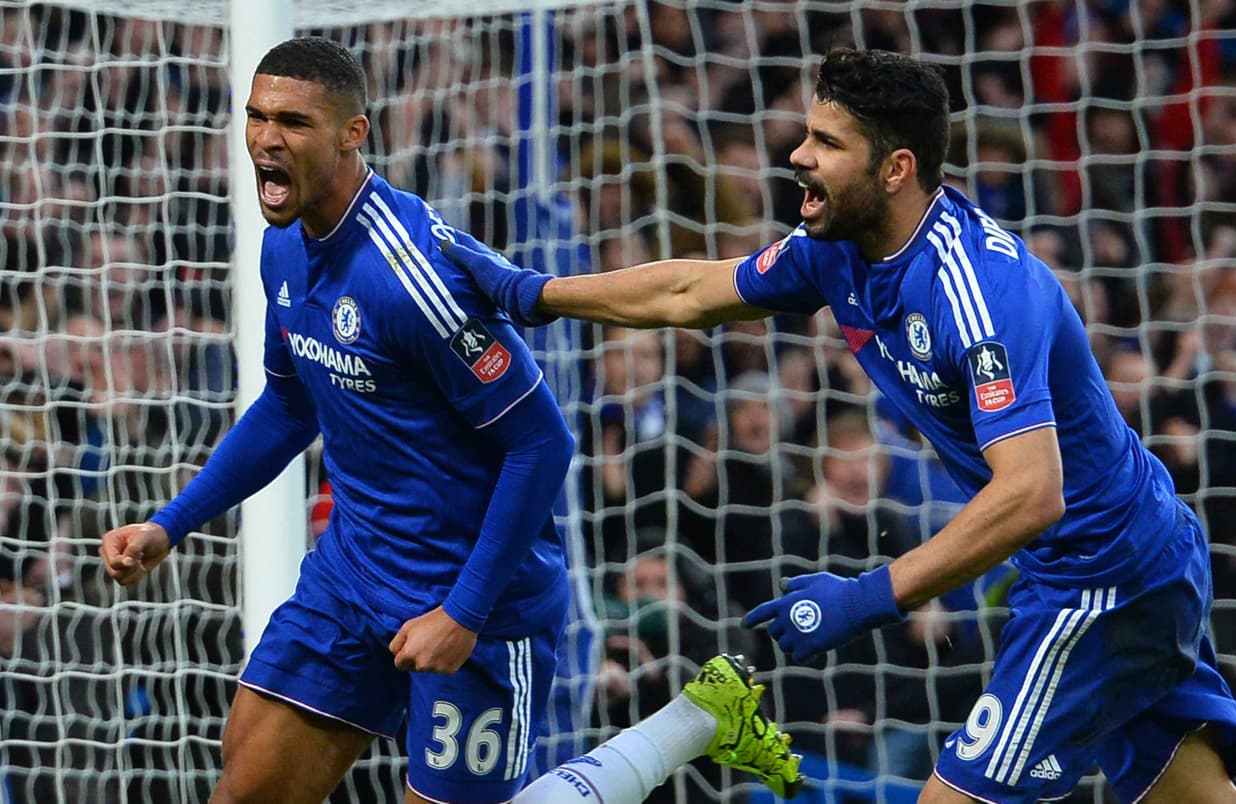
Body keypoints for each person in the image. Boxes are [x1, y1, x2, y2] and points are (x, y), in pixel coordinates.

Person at [441, 48, 1236, 804]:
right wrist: (534, 295)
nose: (800, 156)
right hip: (1093, 562)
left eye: (828, 142)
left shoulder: (979, 293)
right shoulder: (835, 250)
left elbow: (1033, 491)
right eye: (807, 133)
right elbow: (687, 294)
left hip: (1105, 574)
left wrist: (868, 597)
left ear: (896, 167)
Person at [97, 37, 799, 804]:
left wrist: (462, 614)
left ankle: (696, 721)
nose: (267, 138)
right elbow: (291, 403)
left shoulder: (411, 279)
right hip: (351, 577)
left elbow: (542, 442)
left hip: (476, 600)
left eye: (294, 122)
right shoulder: (284, 249)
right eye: (257, 117)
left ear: (351, 134)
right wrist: (172, 523)